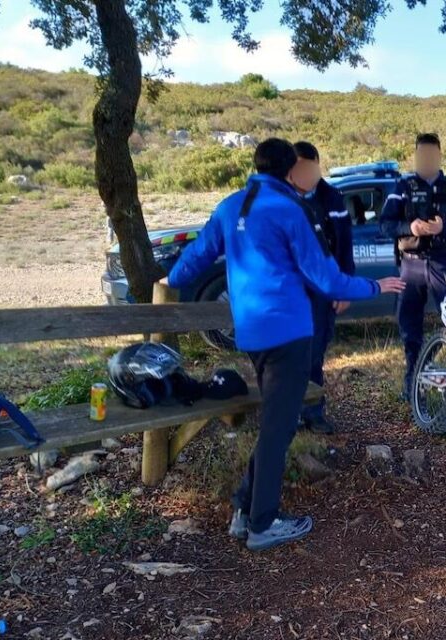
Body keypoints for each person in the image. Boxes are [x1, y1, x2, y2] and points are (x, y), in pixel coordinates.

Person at [165, 138, 405, 551]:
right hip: (289, 334)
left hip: (253, 335)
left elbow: (194, 259)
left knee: (275, 424)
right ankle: (263, 523)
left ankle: (245, 507)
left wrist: (170, 280)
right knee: (279, 430)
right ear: (289, 168)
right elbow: (325, 279)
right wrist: (374, 284)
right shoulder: (288, 209)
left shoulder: (230, 206)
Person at [379, 133, 446, 398]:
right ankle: (412, 383)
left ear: (439, 155)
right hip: (411, 266)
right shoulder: (402, 187)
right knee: (409, 326)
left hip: (443, 264)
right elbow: (385, 224)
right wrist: (409, 227)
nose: (427, 159)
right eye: (423, 154)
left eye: (432, 154)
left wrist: (444, 227)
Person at [287, 141, 354, 435]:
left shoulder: (332, 198)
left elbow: (344, 247)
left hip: (321, 292)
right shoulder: (281, 198)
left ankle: (313, 412)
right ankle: (287, 414)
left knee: (314, 353)